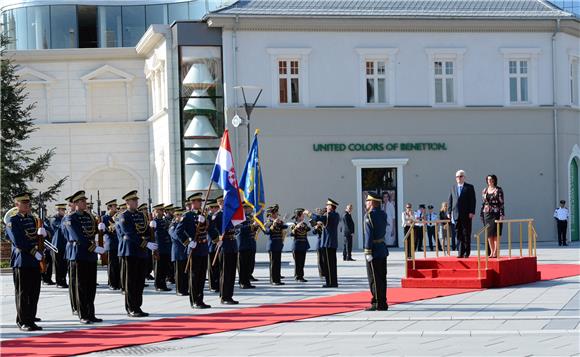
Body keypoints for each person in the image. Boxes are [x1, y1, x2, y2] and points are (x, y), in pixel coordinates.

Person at [5, 192, 44, 331]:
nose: (27, 205)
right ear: (17, 205)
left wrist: (45, 233)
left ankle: (31, 319)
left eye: (28, 203)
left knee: (34, 292)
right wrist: (34, 252)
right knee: (23, 292)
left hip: (34, 261)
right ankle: (22, 321)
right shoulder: (13, 221)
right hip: (22, 260)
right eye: (24, 203)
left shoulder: (33, 219)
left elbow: (40, 238)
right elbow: (18, 241)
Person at [65, 190, 104, 324]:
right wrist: (94, 248)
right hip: (79, 253)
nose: (85, 203)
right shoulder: (71, 218)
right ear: (75, 204)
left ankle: (91, 313)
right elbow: (78, 237)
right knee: (81, 286)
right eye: (82, 201)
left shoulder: (89, 216)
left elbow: (92, 233)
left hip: (90, 255)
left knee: (91, 285)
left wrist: (100, 230)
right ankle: (83, 314)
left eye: (85, 201)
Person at [118, 190, 158, 317]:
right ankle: (131, 307)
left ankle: (138, 306)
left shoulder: (141, 215)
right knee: (131, 281)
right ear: (127, 202)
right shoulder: (124, 216)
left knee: (140, 280)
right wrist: (146, 244)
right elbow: (129, 234)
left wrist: (152, 228)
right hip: (130, 251)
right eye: (133, 200)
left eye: (136, 200)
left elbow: (145, 231)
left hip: (141, 252)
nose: (136, 202)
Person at [177, 192, 211, 309]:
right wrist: (188, 242)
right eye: (198, 201)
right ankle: (194, 301)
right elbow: (178, 232)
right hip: (194, 249)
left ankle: (200, 299)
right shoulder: (187, 216)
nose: (200, 203)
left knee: (202, 276)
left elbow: (208, 229)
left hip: (203, 248)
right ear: (192, 203)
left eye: (201, 201)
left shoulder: (203, 215)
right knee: (195, 276)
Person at [363, 193, 389, 311]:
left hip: (373, 250)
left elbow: (368, 235)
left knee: (374, 278)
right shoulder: (383, 214)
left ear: (372, 202)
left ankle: (377, 303)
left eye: (368, 201)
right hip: (382, 249)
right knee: (382, 277)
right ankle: (383, 301)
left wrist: (367, 251)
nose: (366, 203)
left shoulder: (369, 216)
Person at [309, 198, 340, 288]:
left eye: (327, 205)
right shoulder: (335, 215)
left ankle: (330, 283)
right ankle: (334, 282)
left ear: (330, 207)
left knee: (328, 264)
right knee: (332, 264)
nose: (326, 207)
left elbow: (318, 217)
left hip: (327, 243)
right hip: (332, 243)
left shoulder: (329, 215)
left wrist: (309, 213)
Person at [448, 170, 476, 258]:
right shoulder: (453, 187)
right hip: (456, 214)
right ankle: (460, 252)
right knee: (458, 233)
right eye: (457, 176)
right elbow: (450, 200)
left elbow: (473, 200)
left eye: (460, 176)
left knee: (466, 233)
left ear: (464, 177)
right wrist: (449, 212)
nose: (459, 178)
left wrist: (472, 212)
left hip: (466, 214)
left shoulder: (469, 187)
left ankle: (466, 252)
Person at [480, 174, 505, 258]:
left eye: (491, 179)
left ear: (494, 180)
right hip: (487, 214)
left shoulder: (498, 190)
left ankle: (495, 252)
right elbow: (483, 203)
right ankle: (491, 252)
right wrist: (481, 214)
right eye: (488, 179)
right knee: (489, 234)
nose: (489, 181)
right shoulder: (484, 190)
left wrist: (502, 215)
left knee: (496, 234)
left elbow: (501, 204)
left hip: (496, 213)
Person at [265, 204, 288, 285]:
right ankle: (273, 280)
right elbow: (267, 232)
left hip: (278, 245)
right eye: (275, 213)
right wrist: (273, 224)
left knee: (278, 263)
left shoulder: (278, 222)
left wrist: (280, 222)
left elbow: (285, 226)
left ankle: (278, 279)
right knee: (273, 264)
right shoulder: (268, 223)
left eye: (276, 213)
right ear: (270, 214)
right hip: (272, 245)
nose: (276, 215)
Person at [237, 203, 258, 289]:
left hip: (249, 243)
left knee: (248, 264)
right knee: (243, 265)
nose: (250, 209)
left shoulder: (249, 217)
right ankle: (242, 282)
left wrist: (256, 226)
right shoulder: (239, 217)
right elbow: (240, 229)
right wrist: (251, 226)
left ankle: (247, 281)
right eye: (247, 208)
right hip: (242, 244)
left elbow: (252, 229)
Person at [219, 216, 239, 305]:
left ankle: (229, 295)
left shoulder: (232, 215)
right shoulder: (220, 215)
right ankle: (224, 297)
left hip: (232, 245)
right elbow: (213, 228)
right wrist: (217, 239)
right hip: (225, 246)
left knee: (231, 274)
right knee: (226, 273)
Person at [100, 199, 120, 290]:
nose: (116, 207)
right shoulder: (105, 218)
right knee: (112, 265)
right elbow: (105, 231)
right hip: (110, 243)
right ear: (109, 207)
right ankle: (112, 283)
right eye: (114, 206)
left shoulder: (118, 217)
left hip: (118, 243)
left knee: (118, 264)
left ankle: (118, 282)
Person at [151, 203, 172, 292]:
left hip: (165, 246)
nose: (163, 212)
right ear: (156, 211)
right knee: (158, 268)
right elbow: (152, 236)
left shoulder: (163, 220)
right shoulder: (154, 222)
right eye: (161, 210)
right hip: (158, 247)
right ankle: (158, 285)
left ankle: (163, 284)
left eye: (163, 210)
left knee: (164, 267)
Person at [169, 207, 188, 296]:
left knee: (185, 272)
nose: (180, 216)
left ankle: (185, 288)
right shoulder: (172, 225)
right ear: (175, 215)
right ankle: (179, 290)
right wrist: (188, 241)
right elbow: (176, 236)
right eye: (178, 215)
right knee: (179, 272)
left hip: (185, 251)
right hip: (178, 252)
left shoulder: (184, 224)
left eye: (181, 215)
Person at [50, 203, 68, 288]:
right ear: (58, 210)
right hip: (57, 245)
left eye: (64, 209)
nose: (64, 211)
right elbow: (61, 226)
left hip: (64, 244)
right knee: (58, 265)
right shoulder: (54, 219)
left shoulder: (64, 218)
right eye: (62, 210)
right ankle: (59, 282)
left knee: (64, 264)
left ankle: (63, 280)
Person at [291, 208, 310, 282]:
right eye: (302, 215)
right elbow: (292, 234)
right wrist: (296, 227)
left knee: (302, 262)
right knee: (297, 262)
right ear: (298, 216)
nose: (303, 216)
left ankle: (301, 276)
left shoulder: (304, 224)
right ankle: (297, 276)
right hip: (297, 246)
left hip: (303, 245)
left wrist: (303, 225)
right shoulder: (294, 224)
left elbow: (308, 229)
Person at [207, 199, 222, 292]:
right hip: (211, 244)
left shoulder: (217, 216)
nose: (217, 209)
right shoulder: (208, 217)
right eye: (214, 207)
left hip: (219, 243)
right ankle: (213, 285)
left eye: (217, 207)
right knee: (212, 267)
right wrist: (216, 240)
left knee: (218, 266)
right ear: (210, 208)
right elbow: (209, 230)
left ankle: (218, 283)